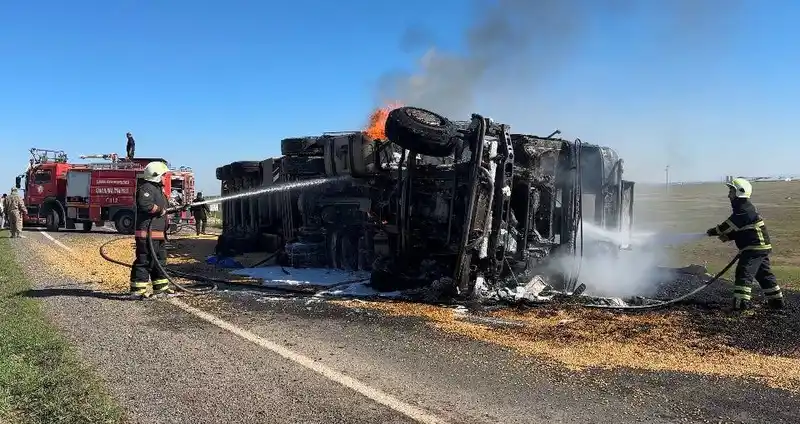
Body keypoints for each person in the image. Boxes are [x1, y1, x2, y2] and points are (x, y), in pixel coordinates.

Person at [706, 178, 784, 311]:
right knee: (764, 275)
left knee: (744, 272)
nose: (729, 194)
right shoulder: (743, 209)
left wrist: (712, 232)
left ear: (739, 192)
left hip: (754, 247)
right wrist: (730, 236)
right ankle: (776, 302)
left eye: (731, 191)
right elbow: (743, 229)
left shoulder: (744, 209)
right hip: (759, 246)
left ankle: (741, 306)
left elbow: (728, 225)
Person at [129, 161, 183, 299]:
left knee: (159, 260)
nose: (165, 177)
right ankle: (137, 291)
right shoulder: (146, 188)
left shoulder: (158, 190)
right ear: (156, 175)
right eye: (164, 175)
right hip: (147, 233)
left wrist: (179, 207)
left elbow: (165, 208)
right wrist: (160, 210)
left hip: (158, 234)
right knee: (145, 261)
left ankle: (161, 288)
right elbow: (145, 205)